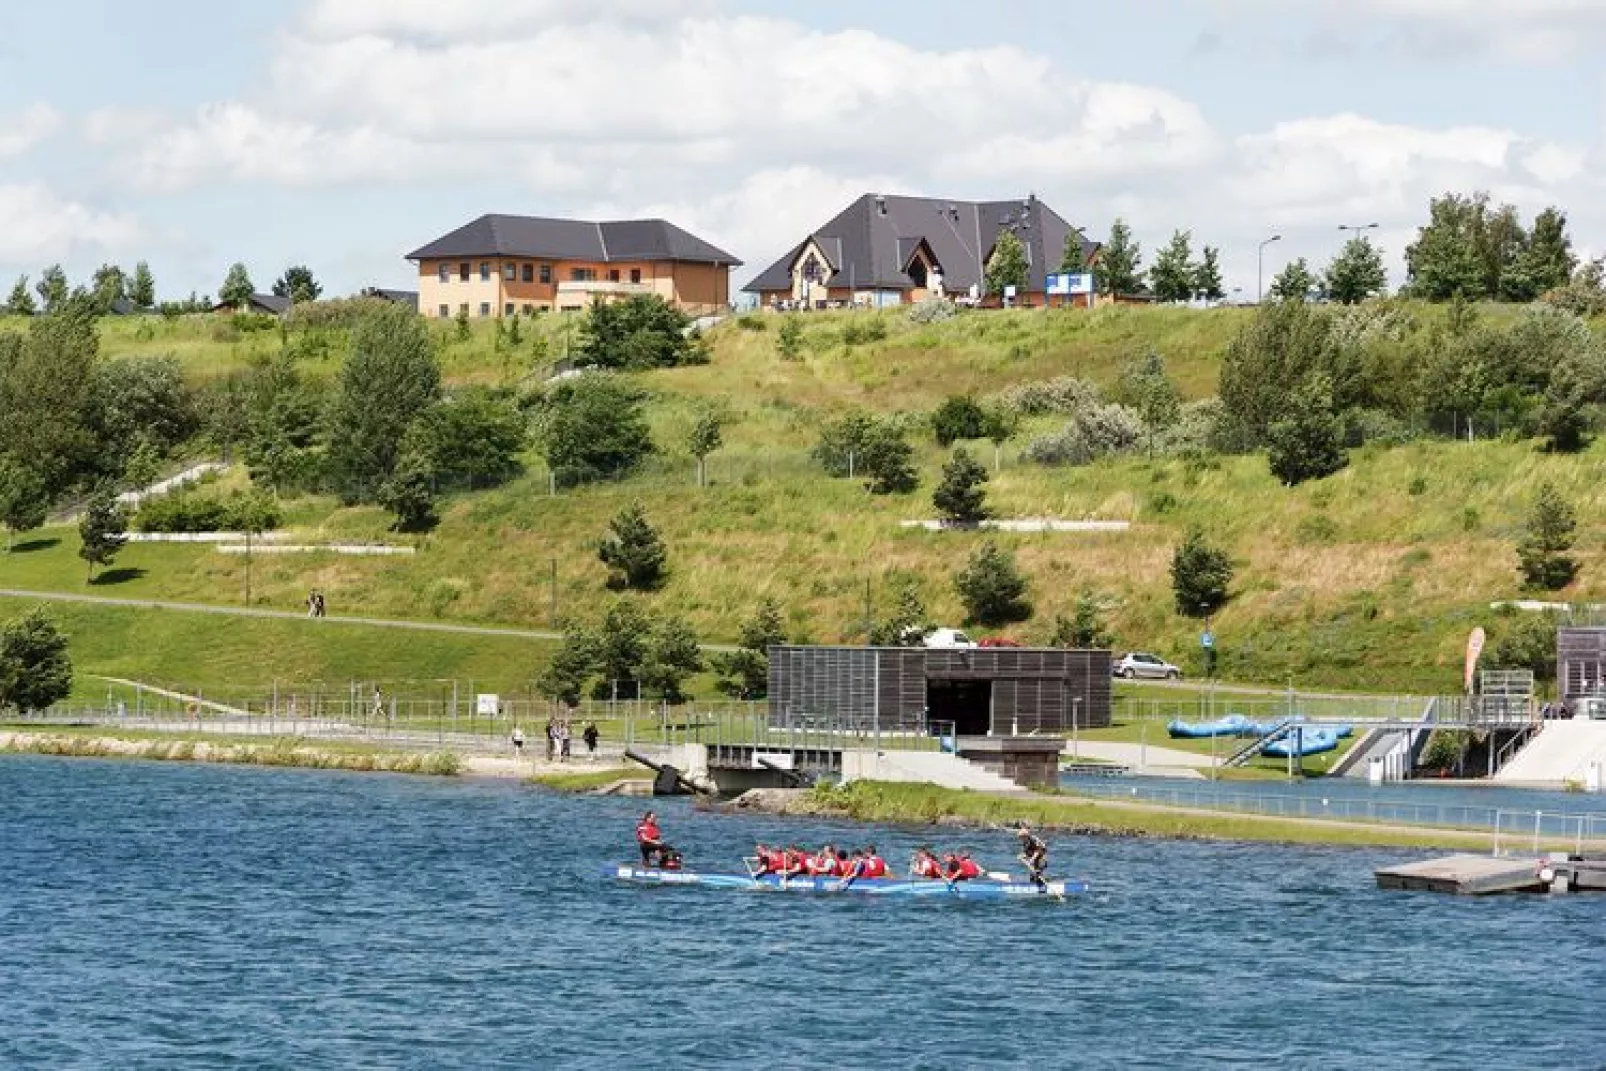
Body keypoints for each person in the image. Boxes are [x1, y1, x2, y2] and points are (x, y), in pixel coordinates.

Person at [1016, 824, 1049, 890]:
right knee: (1032, 876)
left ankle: (1043, 887)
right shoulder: (1025, 843)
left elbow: (1038, 850)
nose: (1020, 839)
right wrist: (1022, 856)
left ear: (1025, 836)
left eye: (1021, 838)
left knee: (1037, 873)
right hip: (1035, 860)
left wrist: (1032, 859)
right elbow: (1027, 853)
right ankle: (1034, 886)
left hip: (1041, 859)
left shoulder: (1033, 839)